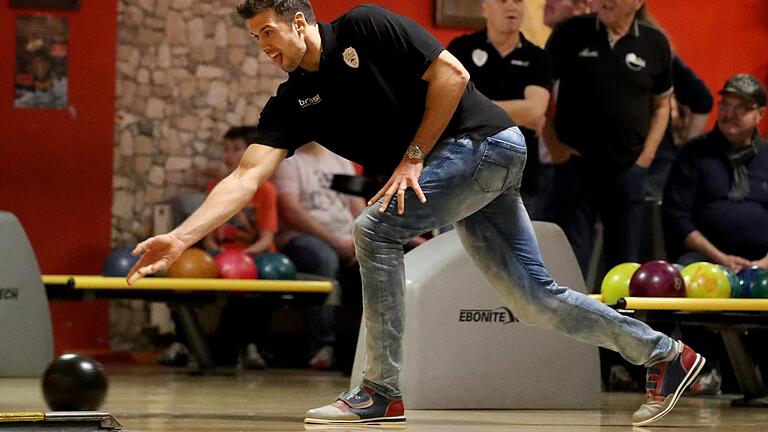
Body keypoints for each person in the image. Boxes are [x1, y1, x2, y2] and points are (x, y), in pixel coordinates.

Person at [127, 1, 704, 427]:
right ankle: (665, 354)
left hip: (487, 144)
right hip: (468, 168)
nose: (265, 48)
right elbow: (245, 176)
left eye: (269, 33)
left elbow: (453, 76)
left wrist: (413, 156)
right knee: (534, 300)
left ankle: (380, 389)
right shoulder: (292, 101)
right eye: (256, 40)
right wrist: (181, 237)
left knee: (373, 229)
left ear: (298, 19)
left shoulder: (365, 26)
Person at [544, 0, 673, 276]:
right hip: (575, 167)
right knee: (570, 261)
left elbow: (662, 106)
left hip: (628, 171)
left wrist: (645, 158)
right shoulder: (571, 32)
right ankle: (571, 320)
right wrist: (555, 147)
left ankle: (620, 319)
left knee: (624, 266)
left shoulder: (655, 42)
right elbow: (539, 92)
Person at [447, 0, 552, 211]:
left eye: (518, 2)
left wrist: (473, 109)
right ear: (484, 7)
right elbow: (451, 107)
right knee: (455, 244)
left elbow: (535, 110)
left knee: (518, 244)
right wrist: (518, 113)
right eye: (503, 1)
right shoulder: (461, 49)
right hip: (464, 176)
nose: (512, 7)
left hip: (519, 179)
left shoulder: (537, 57)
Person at [272, 141, 367, 369]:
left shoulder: (341, 159)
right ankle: (322, 346)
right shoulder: (287, 161)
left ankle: (365, 350)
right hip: (300, 239)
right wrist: (336, 243)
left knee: (379, 259)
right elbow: (291, 210)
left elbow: (358, 206)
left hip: (346, 237)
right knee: (324, 258)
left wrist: (362, 241)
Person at [663, 74, 768, 271]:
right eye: (726, 105)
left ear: (759, 114)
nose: (730, 114)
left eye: (741, 108)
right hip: (704, 259)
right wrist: (720, 258)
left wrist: (762, 265)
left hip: (762, 261)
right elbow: (675, 216)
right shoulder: (693, 152)